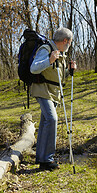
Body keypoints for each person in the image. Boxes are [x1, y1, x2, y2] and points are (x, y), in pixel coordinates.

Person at [30, 27, 76, 171]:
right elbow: (34, 68)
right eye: (70, 42)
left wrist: (70, 71)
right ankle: (47, 159)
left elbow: (58, 76)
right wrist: (50, 60)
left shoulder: (59, 53)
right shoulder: (46, 49)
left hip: (53, 92)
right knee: (52, 119)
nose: (70, 45)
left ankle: (42, 158)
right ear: (65, 41)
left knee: (45, 123)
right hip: (43, 90)